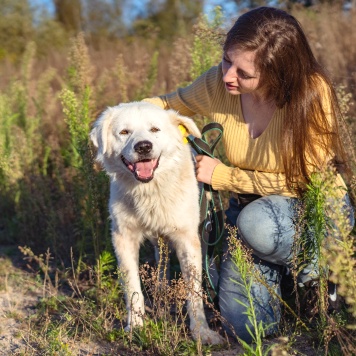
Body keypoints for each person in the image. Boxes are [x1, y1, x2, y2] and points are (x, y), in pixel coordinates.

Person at [143, 7, 355, 343]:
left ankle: (323, 270)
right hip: (250, 217)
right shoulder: (218, 83)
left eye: (245, 73)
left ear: (278, 74)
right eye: (227, 60)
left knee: (256, 223)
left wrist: (225, 177)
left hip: (315, 212)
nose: (229, 76)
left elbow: (305, 181)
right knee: (245, 330)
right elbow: (166, 104)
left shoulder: (312, 93)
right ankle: (290, 286)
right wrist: (123, 124)